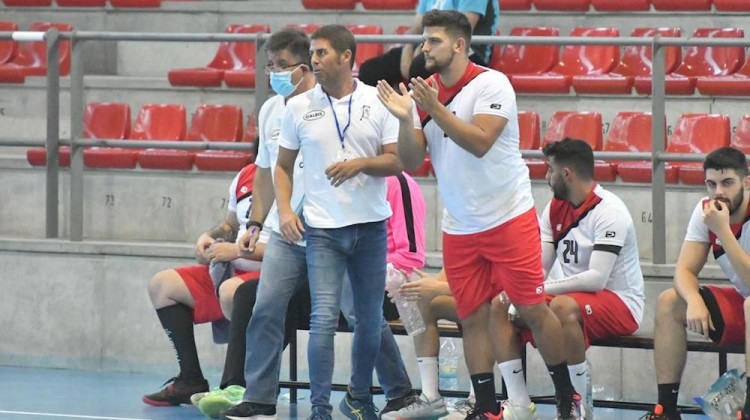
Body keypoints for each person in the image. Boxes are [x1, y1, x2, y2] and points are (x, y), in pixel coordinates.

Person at [377, 10, 582, 419]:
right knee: (471, 317)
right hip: (460, 225)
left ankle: (567, 397)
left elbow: (481, 141)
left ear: (458, 45)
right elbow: (413, 159)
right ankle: (486, 406)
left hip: (508, 217)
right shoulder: (426, 93)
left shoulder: (492, 83)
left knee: (531, 309)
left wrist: (433, 109)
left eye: (433, 41)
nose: (424, 48)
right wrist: (405, 119)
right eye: (423, 40)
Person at [221, 27, 414, 420]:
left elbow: (398, 159)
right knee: (267, 307)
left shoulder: (356, 102)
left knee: (364, 316)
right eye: (268, 66)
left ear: (304, 66)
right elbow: (267, 170)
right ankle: (260, 396)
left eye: (281, 65)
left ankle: (399, 392)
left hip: (337, 225)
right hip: (289, 230)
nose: (273, 73)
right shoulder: (275, 109)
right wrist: (259, 220)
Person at [489, 138, 645, 419]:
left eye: (550, 170)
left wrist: (534, 289)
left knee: (561, 306)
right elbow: (540, 268)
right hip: (573, 299)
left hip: (621, 303)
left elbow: (596, 279)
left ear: (567, 174)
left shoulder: (610, 210)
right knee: (500, 303)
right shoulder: (553, 209)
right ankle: (519, 402)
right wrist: (520, 291)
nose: (546, 177)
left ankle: (577, 406)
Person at [142, 162, 268, 407]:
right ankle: (190, 379)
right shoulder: (247, 173)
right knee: (162, 285)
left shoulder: (297, 176)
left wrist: (238, 252)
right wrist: (209, 237)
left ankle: (237, 385)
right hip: (233, 269)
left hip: (271, 274)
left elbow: (295, 249)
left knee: (232, 291)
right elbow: (230, 225)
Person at [645, 146, 750, 420]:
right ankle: (665, 409)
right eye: (711, 184)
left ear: (746, 182)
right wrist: (693, 300)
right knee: (670, 301)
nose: (719, 193)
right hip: (745, 307)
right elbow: (684, 270)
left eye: (727, 183)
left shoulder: (719, 221)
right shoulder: (705, 211)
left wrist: (723, 231)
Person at [358, 0, 499, 88]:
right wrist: (408, 50)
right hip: (429, 43)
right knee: (370, 70)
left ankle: (418, 122)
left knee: (419, 67)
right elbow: (418, 27)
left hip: (464, 51)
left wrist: (421, 51)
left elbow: (460, 32)